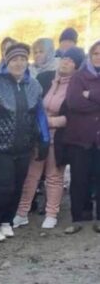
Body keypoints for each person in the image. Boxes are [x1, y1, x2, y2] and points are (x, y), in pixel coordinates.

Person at [0, 43, 50, 242]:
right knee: (2, 187)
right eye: (14, 59)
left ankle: (6, 221)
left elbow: (40, 114)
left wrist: (45, 139)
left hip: (23, 146)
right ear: (7, 61)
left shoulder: (34, 86)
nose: (18, 63)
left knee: (17, 186)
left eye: (22, 59)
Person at [14, 47, 84, 229]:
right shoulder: (45, 79)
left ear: (77, 66)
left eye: (71, 61)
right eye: (64, 58)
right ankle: (21, 213)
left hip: (59, 137)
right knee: (31, 175)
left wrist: (48, 121)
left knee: (54, 176)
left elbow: (73, 117)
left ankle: (52, 213)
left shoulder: (77, 86)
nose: (66, 62)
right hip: (38, 136)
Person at [61, 41, 100, 234]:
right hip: (79, 137)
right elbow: (74, 102)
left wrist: (90, 94)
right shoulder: (78, 77)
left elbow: (84, 100)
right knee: (78, 179)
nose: (99, 57)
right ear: (90, 56)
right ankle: (77, 218)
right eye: (96, 53)